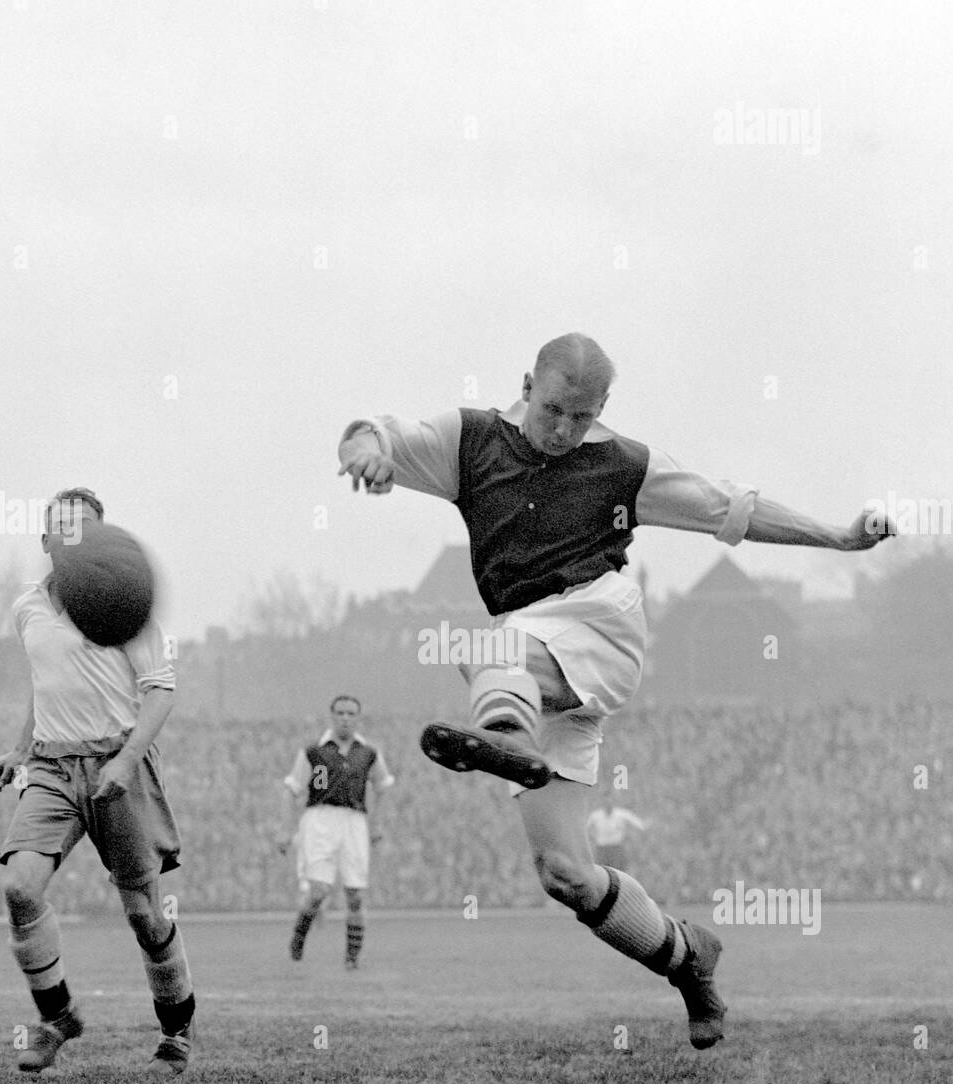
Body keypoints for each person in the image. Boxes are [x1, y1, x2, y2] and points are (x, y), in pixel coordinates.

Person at [337, 333, 893, 1047]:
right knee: (565, 874)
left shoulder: (624, 464)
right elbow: (373, 432)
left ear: (602, 408)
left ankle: (506, 739)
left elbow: (736, 509)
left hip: (596, 624)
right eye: (553, 410)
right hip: (531, 656)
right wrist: (365, 454)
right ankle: (689, 958)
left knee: (484, 652)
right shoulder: (470, 440)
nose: (565, 430)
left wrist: (841, 538)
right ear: (526, 384)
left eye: (582, 415)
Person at [0, 488, 196, 1074]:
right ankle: (58, 1018)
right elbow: (46, 682)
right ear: (47, 542)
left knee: (144, 913)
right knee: (19, 889)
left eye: (88, 528)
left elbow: (160, 688)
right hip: (52, 767)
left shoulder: (126, 603)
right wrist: (21, 746)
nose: (76, 537)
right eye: (65, 528)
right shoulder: (27, 606)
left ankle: (175, 1034)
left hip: (118, 763)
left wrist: (128, 760)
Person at [277, 694, 394, 968]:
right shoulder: (313, 751)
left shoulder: (368, 753)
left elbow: (383, 786)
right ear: (332, 716)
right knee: (318, 891)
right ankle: (299, 935)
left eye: (351, 714)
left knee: (355, 894)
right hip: (320, 820)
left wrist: (377, 825)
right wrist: (285, 829)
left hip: (354, 821)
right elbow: (290, 790)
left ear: (357, 718)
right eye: (340, 713)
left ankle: (352, 958)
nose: (345, 718)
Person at [586, 794, 648, 874]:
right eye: (605, 802)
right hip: (602, 848)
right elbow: (585, 828)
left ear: (613, 802)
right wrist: (593, 837)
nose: (608, 804)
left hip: (616, 848)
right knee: (602, 872)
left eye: (609, 801)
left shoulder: (622, 814)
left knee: (619, 872)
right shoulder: (595, 816)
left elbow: (640, 825)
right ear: (602, 803)